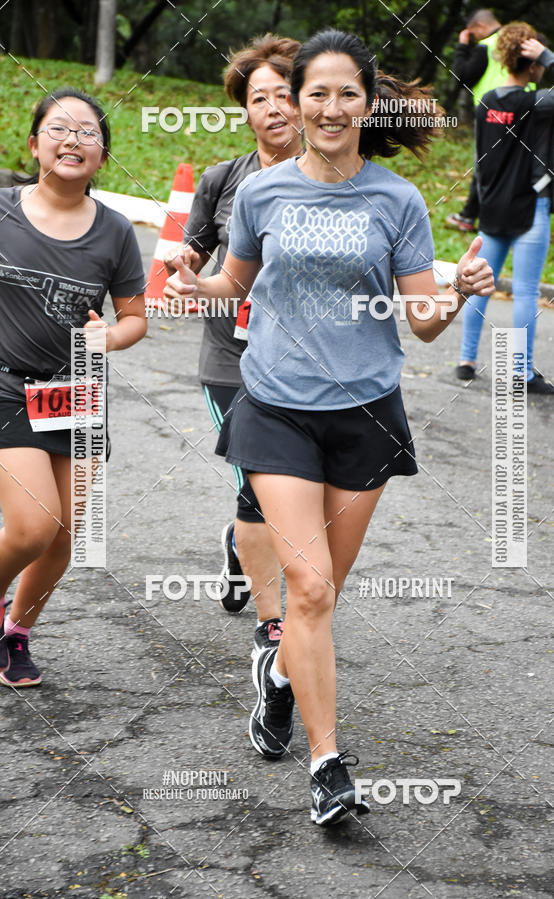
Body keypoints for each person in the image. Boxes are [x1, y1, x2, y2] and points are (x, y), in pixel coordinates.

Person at [166, 28, 494, 825]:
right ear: (298, 98)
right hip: (276, 405)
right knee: (305, 585)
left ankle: (280, 675)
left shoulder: (396, 199)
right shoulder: (261, 193)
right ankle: (328, 764)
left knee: (324, 596)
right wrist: (195, 281)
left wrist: (459, 292)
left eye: (349, 91)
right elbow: (231, 285)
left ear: (368, 102)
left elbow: (418, 322)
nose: (332, 105)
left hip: (365, 416)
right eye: (318, 91)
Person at [0, 87, 147, 687]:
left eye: (88, 132)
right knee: (33, 526)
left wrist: (109, 339)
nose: (73, 139)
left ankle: (16, 634)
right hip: (7, 385)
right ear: (35, 145)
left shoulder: (115, 232)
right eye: (59, 129)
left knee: (64, 535)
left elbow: (135, 317)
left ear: (103, 157)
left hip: (77, 391)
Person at [164, 35, 303, 660]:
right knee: (258, 482)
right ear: (244, 112)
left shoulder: (332, 175)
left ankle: (239, 544)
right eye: (259, 98)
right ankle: (273, 628)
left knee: (288, 486)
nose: (273, 107)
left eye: (283, 93)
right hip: (231, 358)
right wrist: (187, 264)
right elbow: (192, 246)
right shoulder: (223, 180)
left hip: (303, 361)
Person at [456, 23, 554, 392]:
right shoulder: (536, 103)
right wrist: (547, 57)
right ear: (532, 62)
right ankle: (521, 373)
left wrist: (472, 209)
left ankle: (466, 361)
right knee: (526, 291)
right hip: (530, 207)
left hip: (492, 208)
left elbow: (479, 161)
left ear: (503, 57)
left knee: (478, 286)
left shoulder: (485, 103)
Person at [446, 8, 533, 233]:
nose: (476, 38)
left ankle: (470, 216)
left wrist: (463, 46)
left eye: (474, 34)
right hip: (526, 109)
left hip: (494, 113)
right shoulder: (521, 39)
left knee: (485, 165)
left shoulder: (487, 45)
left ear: (480, 27)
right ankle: (520, 216)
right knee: (520, 164)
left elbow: (461, 76)